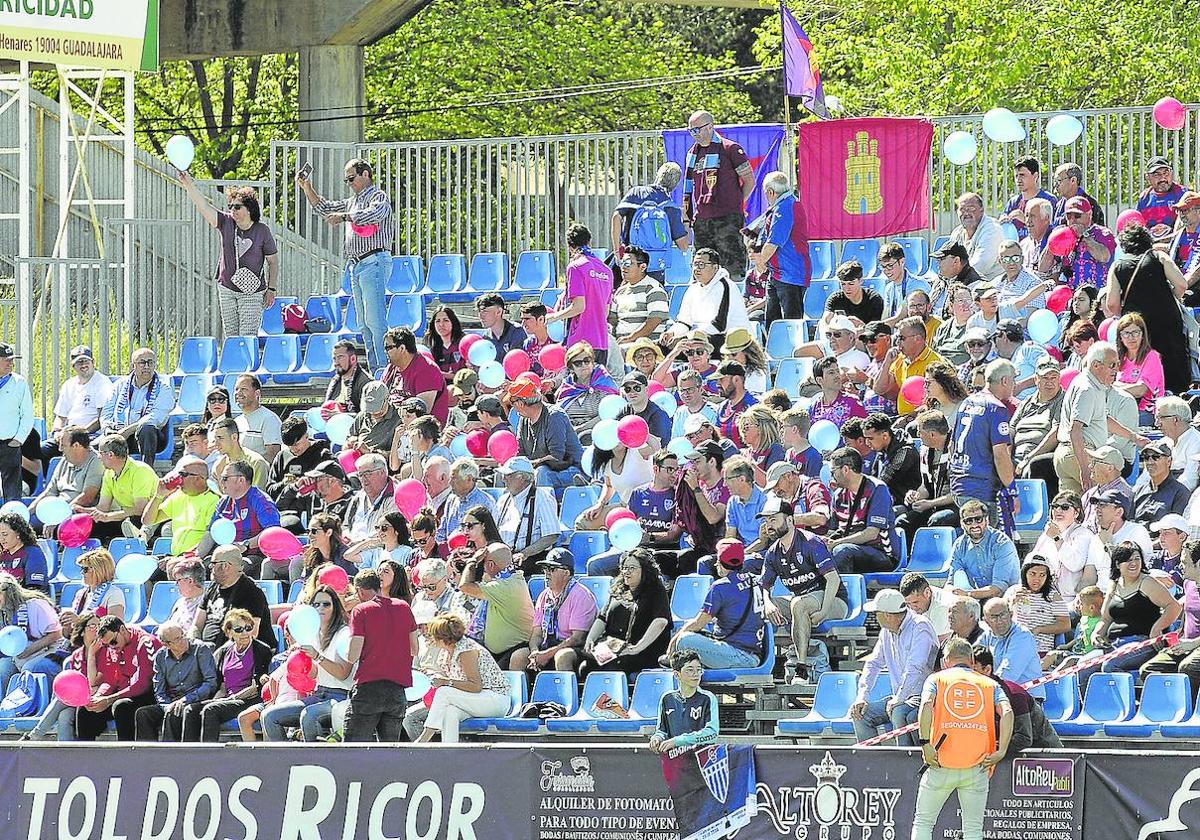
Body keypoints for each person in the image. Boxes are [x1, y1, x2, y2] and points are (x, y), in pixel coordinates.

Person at [911, 637, 1012, 840]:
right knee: (973, 829)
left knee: (923, 823)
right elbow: (1007, 712)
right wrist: (1001, 751)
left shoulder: (936, 679)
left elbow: (925, 706)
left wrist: (925, 744)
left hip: (940, 762)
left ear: (946, 659)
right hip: (977, 766)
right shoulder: (990, 684)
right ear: (971, 659)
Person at [298, 158, 392, 370]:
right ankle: (375, 367)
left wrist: (344, 216)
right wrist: (307, 187)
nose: (349, 183)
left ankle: (385, 370)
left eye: (351, 178)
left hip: (374, 260)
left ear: (365, 174)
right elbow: (325, 208)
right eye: (346, 179)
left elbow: (376, 213)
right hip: (357, 265)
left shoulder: (378, 196)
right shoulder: (352, 201)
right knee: (363, 324)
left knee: (375, 320)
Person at [758, 499, 847, 684]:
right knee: (760, 606)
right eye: (766, 521)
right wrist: (768, 604)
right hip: (802, 601)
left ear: (790, 520)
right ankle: (759, 663)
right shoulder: (773, 552)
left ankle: (801, 669)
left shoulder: (811, 542)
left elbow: (833, 579)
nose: (769, 526)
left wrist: (823, 611)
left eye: (773, 520)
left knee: (798, 604)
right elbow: (764, 587)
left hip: (834, 600)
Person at [180, 173, 278, 337]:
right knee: (231, 336)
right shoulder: (226, 222)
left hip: (252, 292)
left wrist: (271, 289)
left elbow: (273, 262)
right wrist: (188, 184)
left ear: (249, 209)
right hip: (227, 287)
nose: (233, 210)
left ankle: (248, 363)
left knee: (247, 336)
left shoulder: (262, 231)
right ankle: (234, 364)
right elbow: (203, 206)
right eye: (231, 206)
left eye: (237, 207)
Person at [1102, 223, 1191, 395]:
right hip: (1167, 320)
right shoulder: (1158, 257)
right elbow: (1182, 284)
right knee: (1174, 363)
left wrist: (1127, 312)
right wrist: (1171, 297)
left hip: (1137, 326)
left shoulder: (1118, 266)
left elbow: (1111, 304)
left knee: (1142, 364)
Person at [1078, 541, 1182, 685]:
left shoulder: (1147, 582)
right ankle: (1091, 706)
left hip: (1142, 642)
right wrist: (1097, 634)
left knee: (1110, 665)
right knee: (1083, 666)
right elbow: (1106, 618)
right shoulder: (1114, 585)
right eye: (1127, 559)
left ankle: (1134, 697)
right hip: (1114, 644)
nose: (1133, 563)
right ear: (1117, 563)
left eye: (1136, 558)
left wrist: (1157, 627)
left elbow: (1174, 607)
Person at [261, 585, 354, 742]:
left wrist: (317, 656)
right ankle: (285, 762)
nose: (320, 608)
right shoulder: (314, 634)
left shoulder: (344, 633)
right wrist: (301, 659)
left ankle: (317, 762)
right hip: (319, 694)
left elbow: (342, 674)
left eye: (326, 604)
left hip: (341, 697)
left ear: (335, 607)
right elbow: (314, 674)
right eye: (316, 604)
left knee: (309, 716)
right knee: (269, 716)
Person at [851, 588, 938, 745]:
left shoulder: (920, 626)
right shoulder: (886, 631)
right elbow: (873, 663)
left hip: (926, 698)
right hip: (902, 697)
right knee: (860, 714)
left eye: (876, 613)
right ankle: (873, 766)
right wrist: (862, 696)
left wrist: (899, 699)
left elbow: (915, 668)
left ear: (887, 615)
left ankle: (903, 764)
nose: (875, 617)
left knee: (898, 711)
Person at [342, 568, 418, 742]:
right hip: (397, 691)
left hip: (368, 690)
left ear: (360, 591)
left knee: (353, 751)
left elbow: (352, 655)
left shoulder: (361, 611)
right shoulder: (403, 606)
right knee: (390, 754)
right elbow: (414, 649)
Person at [413, 612, 511, 744]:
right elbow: (455, 681)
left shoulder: (467, 651)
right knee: (450, 711)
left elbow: (475, 686)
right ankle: (449, 753)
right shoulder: (445, 652)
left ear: (444, 637)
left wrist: (445, 682)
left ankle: (424, 738)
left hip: (495, 700)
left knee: (444, 692)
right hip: (476, 700)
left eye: (433, 634)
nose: (430, 637)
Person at [668, 539, 765, 670]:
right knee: (697, 632)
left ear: (720, 562)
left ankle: (674, 662)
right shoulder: (757, 580)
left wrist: (674, 641)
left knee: (685, 639)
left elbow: (698, 623)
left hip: (738, 655)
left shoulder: (721, 586)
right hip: (753, 653)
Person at [682, 110, 754, 279]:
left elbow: (750, 181)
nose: (694, 134)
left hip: (728, 220)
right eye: (691, 131)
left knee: (732, 271)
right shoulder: (693, 154)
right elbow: (689, 188)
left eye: (697, 129)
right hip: (702, 222)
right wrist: (686, 218)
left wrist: (736, 203)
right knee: (701, 271)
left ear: (710, 127)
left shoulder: (731, 149)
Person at [581, 549, 672, 678]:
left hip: (642, 650)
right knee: (585, 667)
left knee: (611, 669)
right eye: (624, 567)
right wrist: (591, 638)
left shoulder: (656, 590)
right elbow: (602, 618)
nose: (626, 572)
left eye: (632, 568)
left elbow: (661, 621)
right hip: (614, 645)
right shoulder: (619, 589)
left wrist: (637, 648)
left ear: (644, 570)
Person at [947, 359, 1016, 523]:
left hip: (959, 485)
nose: (1015, 384)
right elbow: (1000, 455)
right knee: (987, 543)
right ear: (1005, 381)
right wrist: (1012, 490)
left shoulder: (967, 402)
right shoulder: (996, 408)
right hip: (981, 489)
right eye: (1014, 379)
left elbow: (951, 445)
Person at [509, 548, 597, 674]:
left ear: (566, 573)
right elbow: (537, 634)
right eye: (545, 569)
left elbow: (577, 639)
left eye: (552, 569)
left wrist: (547, 654)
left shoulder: (581, 595)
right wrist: (535, 652)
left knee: (563, 656)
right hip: (547, 645)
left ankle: (566, 693)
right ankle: (523, 693)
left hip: (574, 648)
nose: (547, 574)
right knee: (518, 656)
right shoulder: (544, 596)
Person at [74, 615, 161, 741]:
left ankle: (125, 755)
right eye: (107, 645)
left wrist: (109, 699)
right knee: (85, 710)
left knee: (121, 707)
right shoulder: (112, 648)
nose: (112, 647)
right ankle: (85, 757)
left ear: (122, 630)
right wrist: (99, 697)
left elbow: (143, 684)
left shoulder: (146, 642)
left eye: (113, 642)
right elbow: (110, 680)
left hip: (148, 694)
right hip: (124, 694)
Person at [1053, 342, 1122, 495]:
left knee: (1072, 511)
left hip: (1066, 453)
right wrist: (1085, 469)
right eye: (1112, 365)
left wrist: (1133, 436)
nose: (1117, 369)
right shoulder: (1088, 389)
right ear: (1096, 365)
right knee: (1111, 495)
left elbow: (1103, 419)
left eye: (1118, 363)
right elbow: (1075, 430)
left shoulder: (1088, 383)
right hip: (1080, 453)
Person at [133, 623, 218, 741]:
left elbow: (210, 683)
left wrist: (186, 699)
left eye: (183, 635)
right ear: (166, 644)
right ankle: (148, 756)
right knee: (143, 714)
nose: (183, 640)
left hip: (195, 700)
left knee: (176, 713)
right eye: (177, 639)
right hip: (172, 701)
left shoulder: (200, 649)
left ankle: (172, 756)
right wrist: (166, 706)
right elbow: (159, 690)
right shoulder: (161, 657)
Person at [458, 541, 534, 670]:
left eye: (484, 564)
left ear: (491, 565)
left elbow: (464, 586)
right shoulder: (511, 578)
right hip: (496, 651)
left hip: (512, 650)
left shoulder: (504, 586)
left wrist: (473, 561)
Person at [970, 645, 1062, 751]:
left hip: (1046, 755)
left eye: (973, 671)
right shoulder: (972, 695)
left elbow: (1024, 738)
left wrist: (991, 749)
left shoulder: (1015, 695)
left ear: (987, 670)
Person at [663, 249, 751, 354]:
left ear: (715, 267)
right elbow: (684, 322)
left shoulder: (726, 286)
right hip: (699, 337)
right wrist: (672, 333)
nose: (696, 269)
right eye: (695, 264)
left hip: (732, 340)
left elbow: (719, 325)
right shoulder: (692, 289)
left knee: (690, 347)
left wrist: (687, 337)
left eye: (701, 265)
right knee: (659, 347)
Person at [611, 161, 689, 277]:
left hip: (631, 259)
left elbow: (616, 217)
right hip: (656, 265)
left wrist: (617, 251)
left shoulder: (636, 193)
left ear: (658, 175)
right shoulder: (671, 207)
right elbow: (683, 246)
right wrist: (686, 221)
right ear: (676, 185)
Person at [827, 446, 897, 574]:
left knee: (842, 551)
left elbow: (871, 533)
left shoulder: (877, 489)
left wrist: (836, 543)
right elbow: (832, 532)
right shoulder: (838, 496)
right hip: (849, 547)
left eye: (833, 472)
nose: (831, 476)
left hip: (881, 553)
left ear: (846, 469)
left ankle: (843, 593)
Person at [76, 433, 158, 542]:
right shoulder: (108, 474)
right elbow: (103, 508)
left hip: (149, 517)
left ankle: (139, 539)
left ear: (110, 454)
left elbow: (140, 509)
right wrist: (83, 511)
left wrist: (109, 517)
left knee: (131, 521)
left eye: (100, 453)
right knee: (91, 527)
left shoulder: (140, 471)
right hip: (126, 517)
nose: (98, 457)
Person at [546, 223, 613, 355]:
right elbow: (605, 312)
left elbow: (578, 307)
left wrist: (553, 317)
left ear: (570, 247)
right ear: (589, 242)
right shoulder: (607, 270)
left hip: (580, 343)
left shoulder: (576, 267)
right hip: (601, 342)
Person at [193, 545, 276, 649]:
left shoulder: (252, 592)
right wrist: (194, 642)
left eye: (213, 564)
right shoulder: (213, 586)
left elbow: (250, 635)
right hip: (207, 653)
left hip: (238, 654)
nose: (211, 568)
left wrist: (220, 654)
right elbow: (197, 624)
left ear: (225, 566)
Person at [753, 170, 810, 323]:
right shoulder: (788, 204)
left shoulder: (785, 207)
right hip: (779, 274)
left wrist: (760, 263)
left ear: (771, 192)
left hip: (789, 275)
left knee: (790, 325)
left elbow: (773, 243)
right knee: (773, 323)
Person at [41, 345, 113, 465]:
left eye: (86, 361)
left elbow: (102, 419)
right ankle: (40, 483)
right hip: (68, 436)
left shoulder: (102, 383)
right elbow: (60, 417)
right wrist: (58, 431)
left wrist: (78, 433)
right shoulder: (68, 385)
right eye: (79, 362)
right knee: (38, 452)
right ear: (73, 366)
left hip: (91, 436)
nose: (83, 365)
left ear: (93, 362)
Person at [99, 347, 175, 461]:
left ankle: (147, 473)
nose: (146, 366)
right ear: (133, 365)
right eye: (142, 362)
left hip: (148, 438)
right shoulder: (120, 385)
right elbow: (107, 412)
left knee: (147, 429)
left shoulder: (164, 389)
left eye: (150, 362)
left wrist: (127, 431)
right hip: (119, 433)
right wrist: (107, 429)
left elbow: (155, 417)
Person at [491, 456, 561, 575]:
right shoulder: (503, 499)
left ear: (521, 478)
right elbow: (492, 531)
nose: (503, 479)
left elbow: (551, 535)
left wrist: (525, 553)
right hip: (502, 558)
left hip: (530, 561)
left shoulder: (542, 498)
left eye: (508, 475)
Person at [1031, 491, 1106, 600]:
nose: (1058, 510)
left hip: (1070, 599)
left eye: (1064, 507)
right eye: (1055, 507)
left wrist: (1056, 538)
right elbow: (1031, 561)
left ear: (1076, 512)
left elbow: (1074, 564)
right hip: (1044, 596)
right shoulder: (1047, 534)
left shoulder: (1084, 534)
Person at [897, 410, 958, 539]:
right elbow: (926, 485)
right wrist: (916, 495)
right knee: (903, 522)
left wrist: (930, 504)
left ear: (932, 434)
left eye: (920, 432)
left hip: (955, 505)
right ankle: (906, 557)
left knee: (938, 521)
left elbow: (959, 493)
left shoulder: (957, 450)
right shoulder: (925, 451)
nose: (918, 435)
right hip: (934, 503)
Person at [648, 649, 719, 754]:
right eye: (690, 670)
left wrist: (679, 741)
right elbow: (662, 730)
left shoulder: (708, 698)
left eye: (699, 670)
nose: (696, 674)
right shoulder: (667, 699)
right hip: (675, 760)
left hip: (702, 759)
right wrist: (656, 738)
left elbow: (712, 734)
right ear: (677, 674)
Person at [513, 387, 585, 488]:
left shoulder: (555, 416)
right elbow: (520, 453)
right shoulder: (523, 420)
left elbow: (556, 457)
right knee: (508, 474)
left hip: (571, 468)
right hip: (541, 467)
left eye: (512, 403)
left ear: (520, 404)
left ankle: (542, 503)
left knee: (542, 473)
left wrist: (527, 465)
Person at [947, 500, 1020, 601]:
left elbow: (998, 589)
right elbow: (950, 583)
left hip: (1006, 599)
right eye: (968, 521)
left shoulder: (1002, 543)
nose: (974, 525)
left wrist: (967, 595)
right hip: (976, 597)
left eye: (978, 519)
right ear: (962, 523)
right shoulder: (959, 545)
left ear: (987, 520)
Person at [31, 426, 103, 528]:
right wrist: (27, 512)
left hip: (77, 515)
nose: (60, 449)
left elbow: (87, 497)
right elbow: (49, 492)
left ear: (76, 445)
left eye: (63, 445)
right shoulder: (64, 460)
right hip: (57, 511)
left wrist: (60, 518)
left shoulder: (96, 462)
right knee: (22, 526)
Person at [0, 572, 61, 689]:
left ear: (9, 592)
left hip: (49, 650)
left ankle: (31, 706)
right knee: (2, 668)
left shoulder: (36, 604)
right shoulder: (3, 611)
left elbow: (57, 634)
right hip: (19, 655)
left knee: (29, 669)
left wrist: (29, 650)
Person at [379, 326, 450, 424]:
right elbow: (379, 397)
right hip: (390, 423)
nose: (385, 352)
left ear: (402, 348)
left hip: (418, 431)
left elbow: (419, 413)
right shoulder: (391, 368)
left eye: (388, 347)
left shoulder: (427, 370)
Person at [875, 316, 944, 416]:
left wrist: (908, 418)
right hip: (902, 418)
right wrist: (887, 363)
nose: (898, 342)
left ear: (918, 339)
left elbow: (936, 402)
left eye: (901, 338)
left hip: (925, 420)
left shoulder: (935, 363)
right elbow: (879, 389)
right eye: (897, 338)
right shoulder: (899, 359)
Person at [979, 598, 1045, 699]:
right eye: (994, 617)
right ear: (986, 621)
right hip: (1000, 693)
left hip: (1027, 698)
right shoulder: (986, 636)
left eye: (1002, 615)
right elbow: (971, 659)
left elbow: (1008, 674)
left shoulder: (1023, 636)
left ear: (1011, 614)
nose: (999, 620)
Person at [341, 453, 397, 569]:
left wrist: (359, 544)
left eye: (368, 474)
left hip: (377, 554)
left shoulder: (394, 497)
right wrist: (346, 535)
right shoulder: (358, 497)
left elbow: (387, 533)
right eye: (360, 475)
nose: (363, 479)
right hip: (351, 551)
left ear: (382, 472)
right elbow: (346, 525)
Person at [1006, 556, 1070, 654]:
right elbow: (999, 617)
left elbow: (1065, 625)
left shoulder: (1053, 596)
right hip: (1014, 647)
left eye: (1042, 575)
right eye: (1033, 574)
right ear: (1025, 573)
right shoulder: (1013, 591)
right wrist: (1011, 603)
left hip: (1040, 650)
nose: (1037, 579)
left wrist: (1039, 629)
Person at [612, 247, 670, 346]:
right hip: (620, 344)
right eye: (622, 263)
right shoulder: (620, 291)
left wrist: (630, 338)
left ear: (642, 267)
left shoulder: (653, 288)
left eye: (628, 263)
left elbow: (654, 321)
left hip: (645, 346)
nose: (623, 267)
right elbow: (612, 319)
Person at [1132, 439, 1190, 526]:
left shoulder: (1180, 493)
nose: (1150, 462)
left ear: (1169, 461)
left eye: (1156, 457)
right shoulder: (1139, 491)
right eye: (1146, 457)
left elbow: (1176, 530)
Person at [864, 412, 921, 499]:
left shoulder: (904, 451)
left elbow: (885, 481)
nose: (867, 443)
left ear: (885, 436)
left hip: (904, 503)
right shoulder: (882, 449)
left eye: (870, 438)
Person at [1000, 156, 1056, 241]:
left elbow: (1053, 230)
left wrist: (1025, 220)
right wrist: (1002, 222)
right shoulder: (1013, 202)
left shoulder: (1048, 200)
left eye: (1022, 175)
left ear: (1035, 176)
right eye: (1016, 176)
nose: (1018, 180)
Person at [949, 192, 1003, 279]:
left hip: (992, 284)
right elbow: (949, 262)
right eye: (962, 209)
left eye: (971, 208)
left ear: (981, 210)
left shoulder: (992, 230)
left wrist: (955, 280)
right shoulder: (957, 233)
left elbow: (981, 264)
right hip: (965, 282)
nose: (966, 213)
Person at [210, 417, 270, 490]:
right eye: (215, 439)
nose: (216, 443)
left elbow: (258, 496)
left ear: (234, 437)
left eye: (220, 438)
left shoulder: (256, 463)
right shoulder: (218, 466)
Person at [232, 375, 281, 463]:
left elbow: (273, 457)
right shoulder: (236, 421)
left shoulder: (269, 419)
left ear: (257, 393)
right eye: (236, 389)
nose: (238, 393)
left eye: (244, 389)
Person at [1136, 155, 1188, 238]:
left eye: (1166, 173)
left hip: (1179, 244)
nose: (1163, 178)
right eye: (1157, 175)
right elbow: (1138, 228)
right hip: (1151, 245)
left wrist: (1171, 231)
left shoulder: (1183, 194)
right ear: (1148, 177)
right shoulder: (1144, 199)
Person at [1155, 397, 1200, 492]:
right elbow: (1146, 476)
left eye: (1161, 418)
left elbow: (1190, 479)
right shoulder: (1162, 443)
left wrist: (1166, 495)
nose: (1157, 423)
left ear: (1176, 419)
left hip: (1180, 496)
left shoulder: (1196, 441)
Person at [66, 548, 125, 620]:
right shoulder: (81, 593)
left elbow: (115, 627)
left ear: (98, 570)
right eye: (81, 569)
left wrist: (78, 622)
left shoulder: (114, 593)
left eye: (85, 569)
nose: (81, 572)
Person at [823, 260, 884, 328]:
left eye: (851, 284)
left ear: (861, 281)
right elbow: (825, 320)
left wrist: (861, 326)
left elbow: (877, 329)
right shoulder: (835, 298)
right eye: (843, 284)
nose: (847, 288)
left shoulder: (874, 299)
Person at [899, 572, 956, 642]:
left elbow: (937, 644)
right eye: (908, 604)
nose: (912, 608)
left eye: (915, 602)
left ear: (927, 593)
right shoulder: (920, 598)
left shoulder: (941, 608)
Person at [0, 512, 48, 590]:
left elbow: (35, 589)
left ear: (18, 532)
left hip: (26, 600)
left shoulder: (33, 553)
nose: (1, 539)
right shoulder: (2, 555)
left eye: (5, 534)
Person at [930, 284, 976, 365]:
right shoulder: (943, 328)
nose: (966, 304)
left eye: (968, 300)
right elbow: (934, 353)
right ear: (951, 306)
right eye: (960, 301)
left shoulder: (977, 324)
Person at [324, 340, 372, 414]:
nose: (336, 363)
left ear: (353, 359)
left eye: (340, 357)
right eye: (334, 358)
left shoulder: (366, 382)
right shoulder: (335, 381)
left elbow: (369, 416)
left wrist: (341, 416)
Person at [428, 305, 465, 382]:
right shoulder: (432, 346)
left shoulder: (463, 342)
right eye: (438, 321)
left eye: (445, 320)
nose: (441, 325)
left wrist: (445, 375)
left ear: (453, 322)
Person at [1021, 198, 1055, 271]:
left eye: (1032, 216)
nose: (1028, 220)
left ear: (1046, 218)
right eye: (1027, 216)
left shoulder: (1055, 244)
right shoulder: (1024, 244)